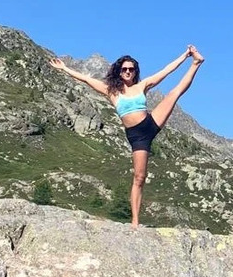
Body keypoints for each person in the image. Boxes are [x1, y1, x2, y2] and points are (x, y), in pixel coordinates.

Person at [49, 46, 205, 228]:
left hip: (150, 123)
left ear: (135, 71)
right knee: (139, 177)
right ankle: (135, 221)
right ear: (119, 71)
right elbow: (86, 79)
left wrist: (185, 56)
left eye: (131, 69)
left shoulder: (142, 85)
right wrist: (65, 69)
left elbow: (166, 70)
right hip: (138, 137)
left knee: (174, 93)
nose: (128, 71)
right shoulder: (111, 91)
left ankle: (196, 63)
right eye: (124, 69)